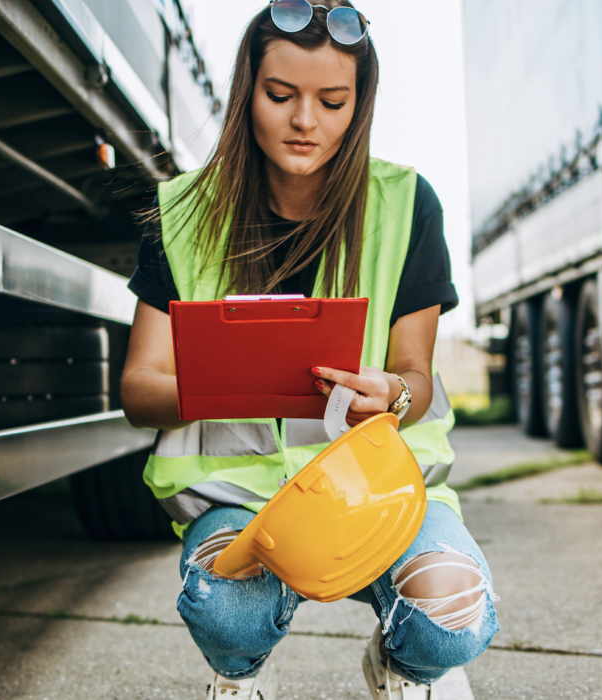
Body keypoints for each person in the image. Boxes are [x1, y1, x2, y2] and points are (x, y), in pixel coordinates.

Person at [120, 2, 498, 697]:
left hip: (378, 486)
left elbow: (413, 376)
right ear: (246, 93)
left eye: (332, 101)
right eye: (280, 95)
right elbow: (137, 391)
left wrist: (395, 396)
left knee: (452, 621)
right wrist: (223, 382)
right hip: (240, 502)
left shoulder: (408, 204)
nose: (305, 121)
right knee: (227, 618)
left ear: (359, 104)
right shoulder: (181, 213)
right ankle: (238, 673)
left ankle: (400, 666)